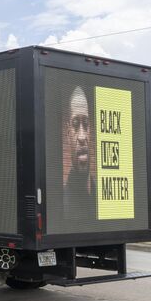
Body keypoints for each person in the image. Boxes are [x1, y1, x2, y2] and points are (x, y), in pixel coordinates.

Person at [63, 86, 96, 217]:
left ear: (90, 130)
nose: (82, 137)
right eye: (75, 125)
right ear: (68, 133)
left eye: (86, 124)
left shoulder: (100, 194)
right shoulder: (64, 202)